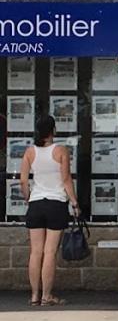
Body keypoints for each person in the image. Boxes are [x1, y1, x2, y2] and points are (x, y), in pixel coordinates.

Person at [20, 115, 78, 307]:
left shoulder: (30, 152)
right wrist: (74, 202)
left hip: (36, 203)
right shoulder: (61, 150)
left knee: (35, 252)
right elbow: (66, 179)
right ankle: (47, 295)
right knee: (50, 252)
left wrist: (28, 197)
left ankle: (34, 295)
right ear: (52, 130)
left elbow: (23, 181)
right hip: (56, 203)